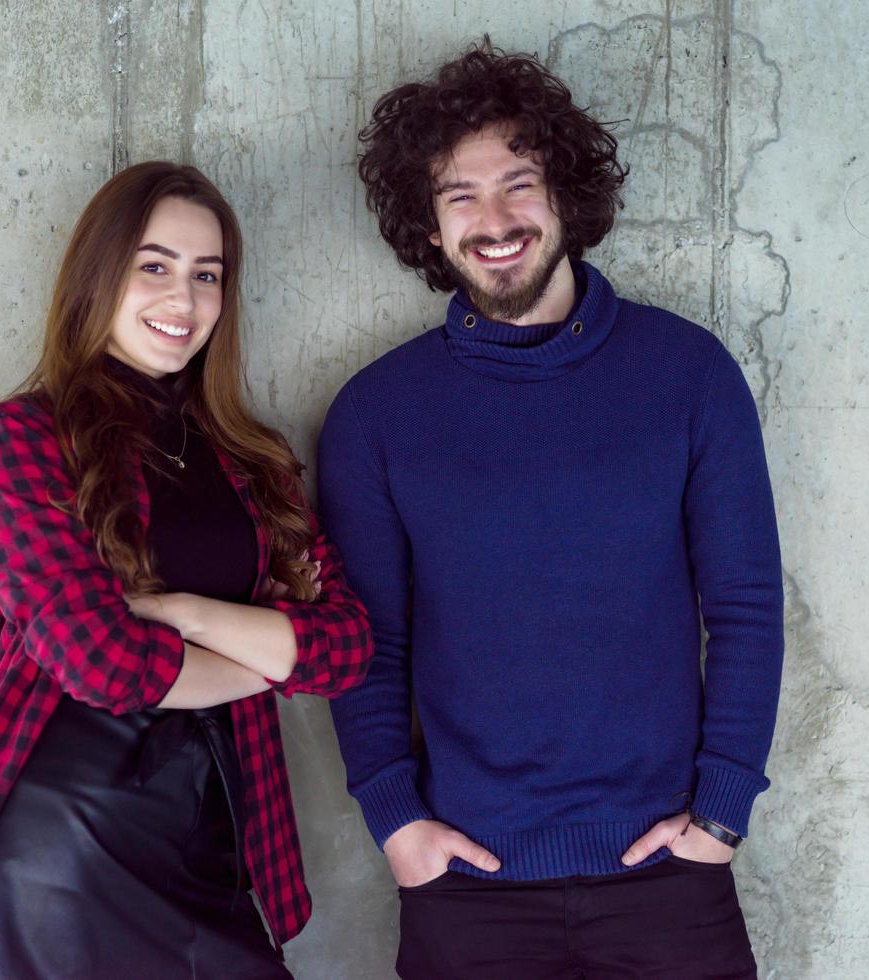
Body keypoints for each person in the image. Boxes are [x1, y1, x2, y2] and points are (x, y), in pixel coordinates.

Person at [318, 40, 784, 979]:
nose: (494, 220)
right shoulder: (376, 412)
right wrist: (396, 822)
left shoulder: (688, 376)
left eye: (518, 183)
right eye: (460, 195)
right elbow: (364, 640)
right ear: (429, 223)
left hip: (667, 878)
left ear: (565, 193)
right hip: (464, 886)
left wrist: (722, 811)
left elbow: (742, 607)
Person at [0, 161, 373, 979]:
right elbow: (105, 663)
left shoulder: (254, 461)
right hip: (64, 850)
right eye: (153, 266)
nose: (181, 302)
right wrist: (269, 656)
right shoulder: (21, 439)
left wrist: (186, 613)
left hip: (218, 840)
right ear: (98, 274)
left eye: (206, 275)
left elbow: (345, 650)